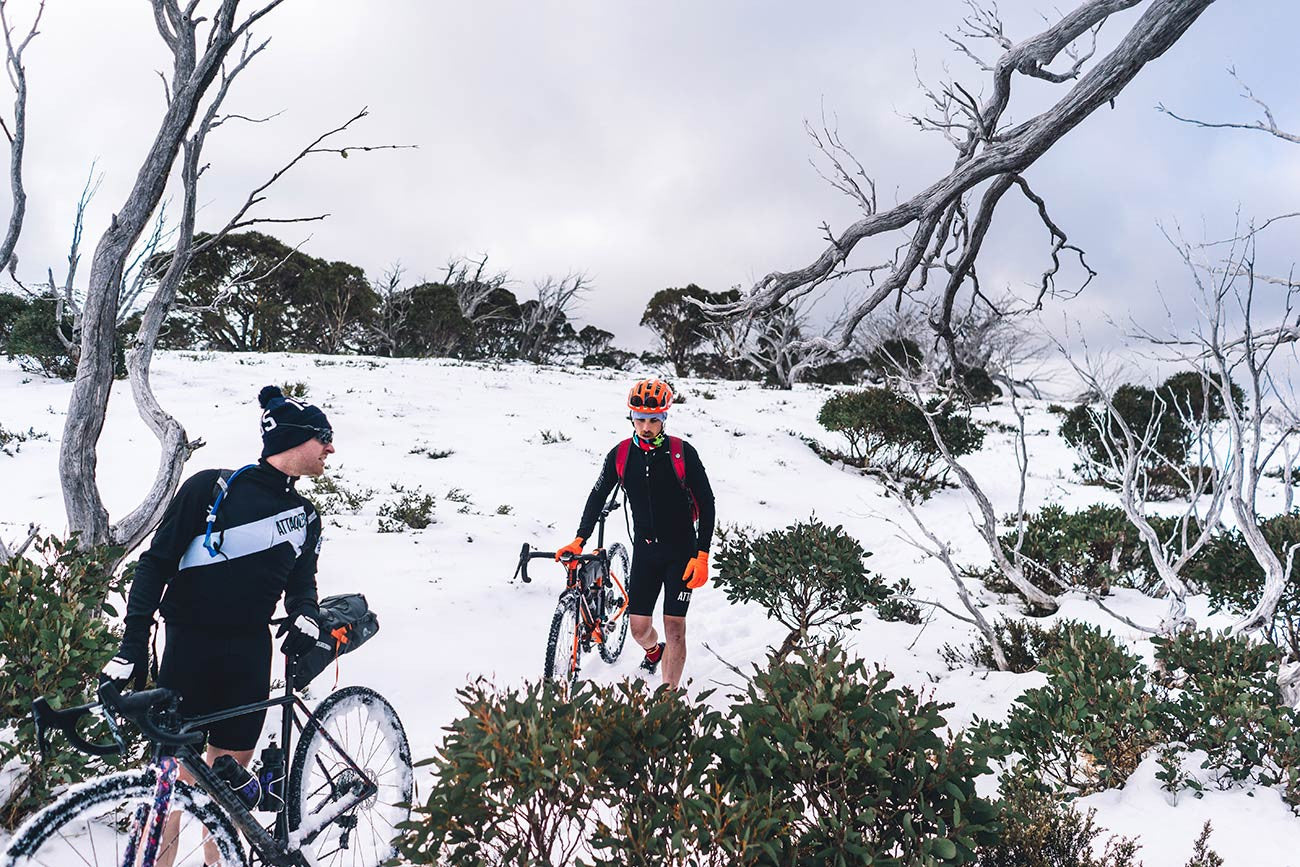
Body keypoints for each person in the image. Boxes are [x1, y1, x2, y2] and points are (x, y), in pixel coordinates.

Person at [102, 384, 333, 791]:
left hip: (250, 653)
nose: (330, 450)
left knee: (226, 791)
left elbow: (301, 584)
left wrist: (306, 614)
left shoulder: (306, 516)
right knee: (170, 786)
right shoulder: (211, 489)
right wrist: (133, 642)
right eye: (324, 438)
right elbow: (154, 565)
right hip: (189, 647)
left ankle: (219, 857)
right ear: (294, 438)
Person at [558, 378, 715, 688]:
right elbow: (597, 495)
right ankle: (655, 652)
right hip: (645, 551)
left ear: (665, 418)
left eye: (653, 420)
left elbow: (707, 504)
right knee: (639, 629)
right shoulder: (620, 455)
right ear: (631, 417)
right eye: (640, 419)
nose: (646, 427)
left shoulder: (682, 453)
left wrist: (702, 554)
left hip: (681, 550)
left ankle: (668, 700)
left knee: (675, 626)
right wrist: (580, 538)